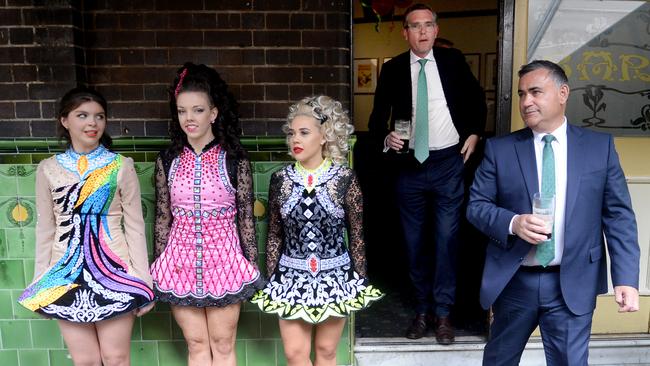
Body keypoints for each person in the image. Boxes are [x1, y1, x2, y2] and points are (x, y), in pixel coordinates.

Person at [466, 60, 640, 365]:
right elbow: (476, 207)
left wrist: (626, 279)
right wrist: (513, 223)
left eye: (535, 92)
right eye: (521, 94)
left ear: (562, 93)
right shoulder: (501, 149)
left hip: (573, 281)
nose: (526, 101)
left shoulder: (599, 148)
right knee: (498, 360)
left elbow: (619, 217)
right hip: (515, 280)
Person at [367, 3, 486, 342]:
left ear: (435, 29)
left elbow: (477, 99)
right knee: (414, 243)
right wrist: (385, 137)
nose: (422, 31)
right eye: (414, 26)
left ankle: (444, 314)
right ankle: (422, 311)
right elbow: (377, 120)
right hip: (409, 167)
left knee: (447, 241)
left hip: (449, 162)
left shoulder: (452, 61)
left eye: (427, 25)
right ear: (405, 33)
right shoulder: (392, 70)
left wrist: (475, 133)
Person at [18, 87, 155, 365]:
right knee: (87, 361)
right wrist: (39, 280)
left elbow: (136, 228)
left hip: (115, 272)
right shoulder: (48, 169)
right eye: (82, 115)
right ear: (65, 121)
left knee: (115, 358)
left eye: (99, 116)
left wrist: (144, 280)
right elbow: (45, 230)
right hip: (63, 274)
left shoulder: (121, 166)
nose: (92, 123)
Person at [252, 96, 383, 366]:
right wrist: (271, 278)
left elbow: (356, 235)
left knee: (326, 353)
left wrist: (359, 280)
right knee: (295, 355)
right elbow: (275, 233)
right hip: (291, 277)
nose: (294, 140)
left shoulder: (345, 178)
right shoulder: (281, 179)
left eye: (304, 133)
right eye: (291, 134)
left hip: (335, 277)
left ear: (324, 136)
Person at [150, 62, 264, 366]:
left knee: (223, 345)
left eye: (198, 110)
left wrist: (250, 266)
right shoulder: (168, 159)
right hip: (180, 262)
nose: (189, 118)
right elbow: (163, 217)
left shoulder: (234, 158)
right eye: (182, 110)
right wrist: (159, 262)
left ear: (213, 113)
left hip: (225, 260)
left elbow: (245, 218)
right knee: (197, 344)